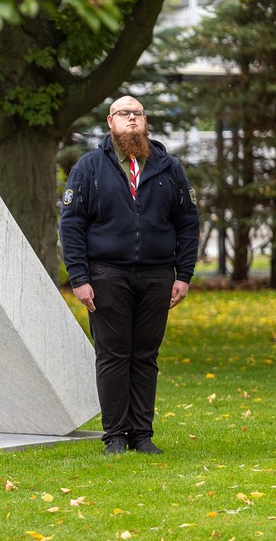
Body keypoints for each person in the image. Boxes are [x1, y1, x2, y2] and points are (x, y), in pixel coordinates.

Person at [59, 95, 199, 455]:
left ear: (145, 120)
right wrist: (79, 278)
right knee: (113, 355)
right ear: (110, 122)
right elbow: (72, 225)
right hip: (107, 275)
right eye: (124, 114)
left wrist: (183, 274)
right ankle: (115, 436)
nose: (131, 119)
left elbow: (187, 223)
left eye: (137, 113)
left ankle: (141, 435)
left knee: (145, 355)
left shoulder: (169, 168)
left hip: (156, 275)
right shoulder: (89, 168)